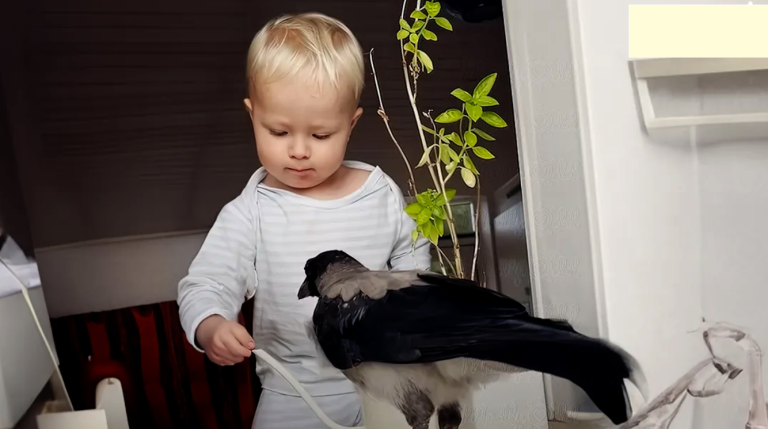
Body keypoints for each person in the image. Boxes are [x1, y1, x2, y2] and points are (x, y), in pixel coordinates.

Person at [176, 12, 432, 429]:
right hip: (293, 392)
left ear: (350, 125)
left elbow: (414, 263)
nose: (298, 150)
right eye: (278, 132)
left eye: (320, 135)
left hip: (388, 383)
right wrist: (211, 323)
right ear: (252, 116)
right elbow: (209, 280)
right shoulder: (250, 212)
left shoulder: (382, 195)